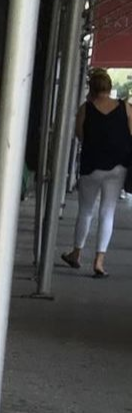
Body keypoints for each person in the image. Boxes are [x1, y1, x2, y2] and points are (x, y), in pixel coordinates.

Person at [61, 68, 132, 278]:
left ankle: (76, 253)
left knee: (86, 210)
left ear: (90, 89)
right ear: (109, 88)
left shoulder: (86, 108)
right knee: (107, 211)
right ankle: (99, 261)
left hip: (91, 165)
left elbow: (79, 134)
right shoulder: (125, 108)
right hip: (118, 166)